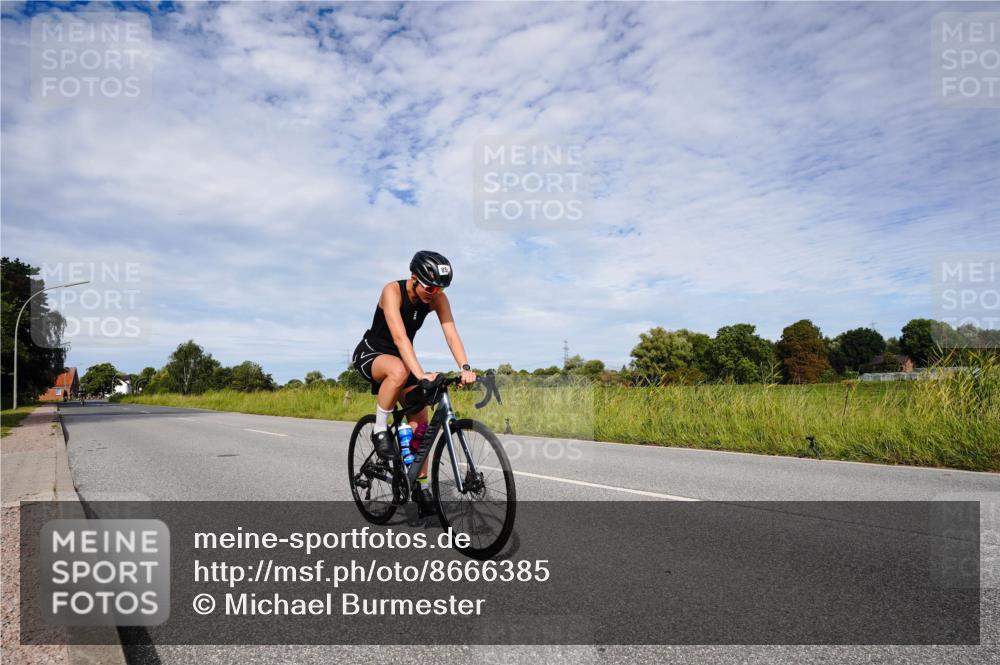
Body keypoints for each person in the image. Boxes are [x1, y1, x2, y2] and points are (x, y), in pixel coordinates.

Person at [352, 251, 476, 506]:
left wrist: (464, 366)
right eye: (430, 287)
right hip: (372, 354)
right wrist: (420, 374)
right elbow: (399, 339)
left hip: (402, 359)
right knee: (398, 370)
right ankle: (379, 430)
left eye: (441, 289)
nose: (435, 293)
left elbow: (451, 333)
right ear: (413, 278)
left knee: (420, 422)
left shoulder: (437, 298)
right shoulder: (392, 291)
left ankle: (420, 487)